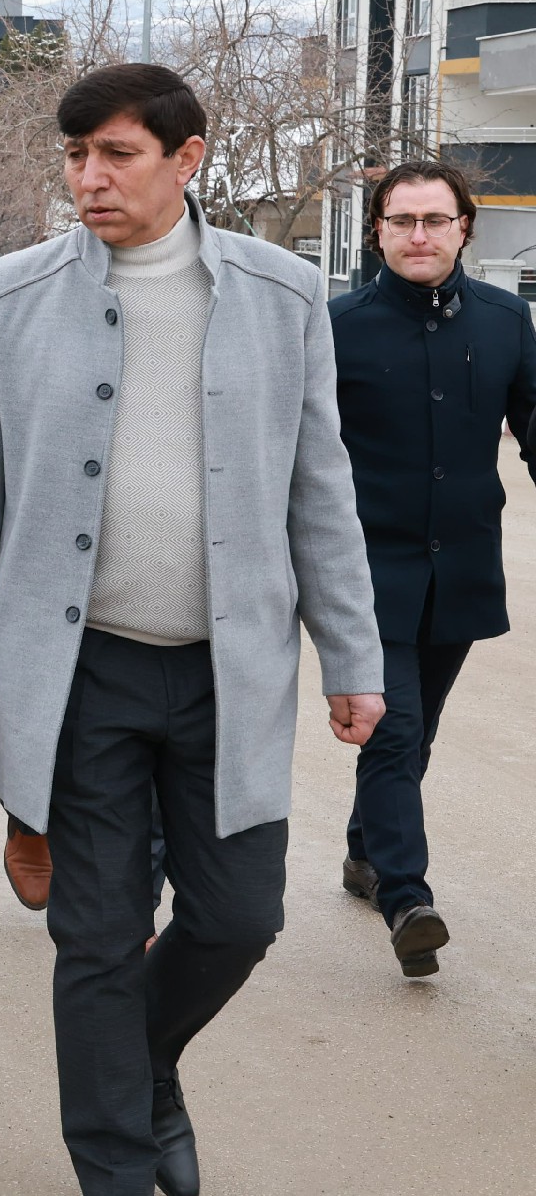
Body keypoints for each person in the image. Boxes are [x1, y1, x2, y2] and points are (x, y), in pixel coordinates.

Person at [0, 63, 384, 1196]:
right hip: (81, 675)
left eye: (116, 154)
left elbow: (319, 490)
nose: (89, 177)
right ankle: (117, 1165)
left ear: (188, 158)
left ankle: (144, 1063)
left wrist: (353, 659)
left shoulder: (282, 293)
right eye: (77, 156)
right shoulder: (14, 294)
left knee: (238, 917)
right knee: (95, 935)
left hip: (233, 674)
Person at [330, 159, 536, 976]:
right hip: (366, 569)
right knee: (395, 725)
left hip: (462, 570)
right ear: (378, 229)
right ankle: (407, 897)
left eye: (436, 220)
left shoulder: (506, 319)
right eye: (403, 220)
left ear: (464, 228)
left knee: (416, 736)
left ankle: (361, 851)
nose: (420, 235)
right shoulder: (337, 326)